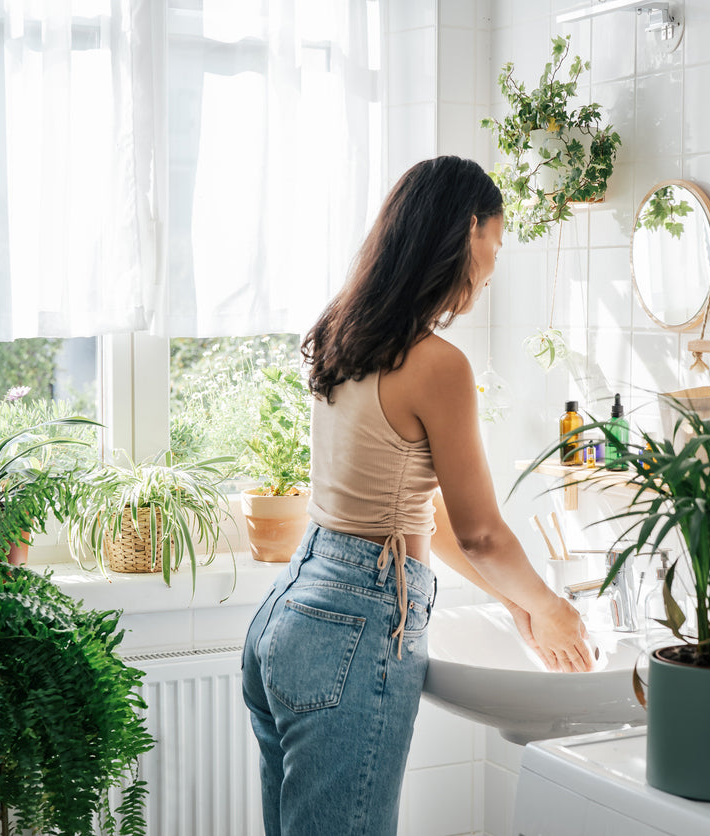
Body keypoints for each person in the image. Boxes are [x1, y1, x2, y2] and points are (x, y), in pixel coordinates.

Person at [241, 156, 592, 836]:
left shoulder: (344, 332)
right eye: (498, 233)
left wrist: (515, 600)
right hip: (353, 625)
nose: (497, 257)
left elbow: (423, 516)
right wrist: (550, 608)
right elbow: (483, 532)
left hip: (291, 612)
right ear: (468, 229)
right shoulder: (437, 365)